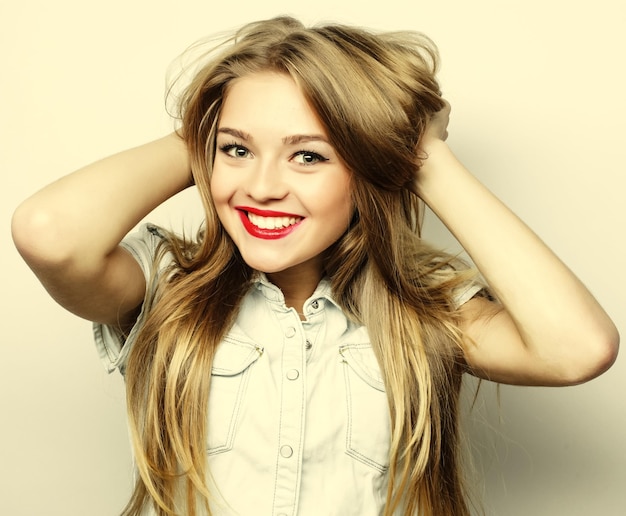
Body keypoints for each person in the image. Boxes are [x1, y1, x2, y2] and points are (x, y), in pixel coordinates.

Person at [11, 15, 618, 516]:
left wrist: (425, 155)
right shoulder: (168, 290)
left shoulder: (420, 310)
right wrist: (207, 125)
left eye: (308, 155)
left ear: (368, 168)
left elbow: (578, 349)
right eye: (237, 149)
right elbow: (49, 233)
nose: (263, 187)